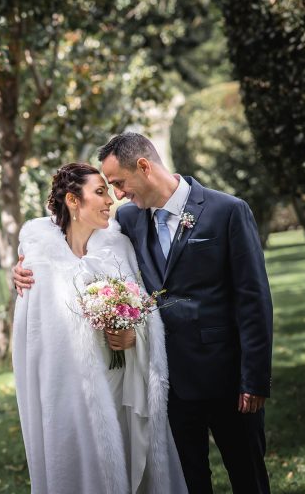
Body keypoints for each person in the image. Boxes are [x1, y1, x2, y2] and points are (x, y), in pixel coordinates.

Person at [14, 133, 273, 494]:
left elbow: (253, 298)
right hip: (169, 387)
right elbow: (68, 232)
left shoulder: (227, 210)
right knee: (191, 484)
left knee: (249, 479)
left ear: (144, 166)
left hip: (226, 378)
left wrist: (254, 379)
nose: (118, 195)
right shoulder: (129, 220)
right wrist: (25, 264)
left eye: (119, 183)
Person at [13, 162, 187, 494]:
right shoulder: (39, 262)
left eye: (109, 191)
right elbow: (32, 340)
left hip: (122, 389)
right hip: (68, 396)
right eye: (100, 192)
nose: (110, 200)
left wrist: (133, 335)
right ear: (72, 200)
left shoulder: (119, 247)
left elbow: (146, 310)